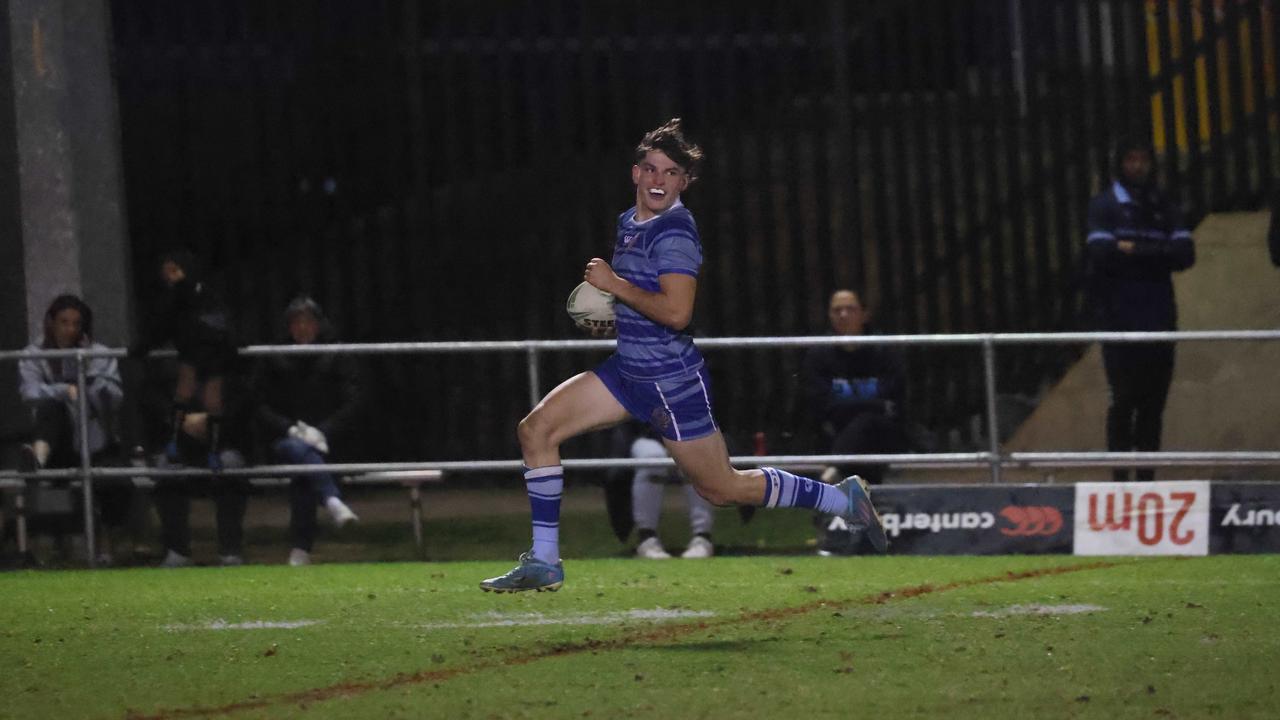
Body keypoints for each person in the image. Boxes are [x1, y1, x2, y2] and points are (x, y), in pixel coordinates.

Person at [480, 118, 886, 593]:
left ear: (684, 182)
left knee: (722, 489)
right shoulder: (628, 223)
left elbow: (676, 313)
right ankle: (545, 562)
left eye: (671, 172)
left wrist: (614, 287)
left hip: (671, 384)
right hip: (628, 373)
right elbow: (643, 300)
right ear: (635, 173)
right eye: (651, 169)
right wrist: (613, 311)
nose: (658, 179)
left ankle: (842, 499)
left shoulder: (675, 233)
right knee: (536, 430)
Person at [1085, 137, 1195, 482]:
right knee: (1123, 401)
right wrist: (1157, 251)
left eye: (1143, 160)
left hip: (1160, 317)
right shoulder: (1104, 205)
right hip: (1118, 317)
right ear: (1120, 163)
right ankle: (1120, 483)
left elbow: (1185, 254)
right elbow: (1101, 253)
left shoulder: (1163, 204)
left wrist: (1134, 249)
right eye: (1130, 159)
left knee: (1152, 404)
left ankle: (1146, 481)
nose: (1137, 167)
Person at [17, 295, 131, 560]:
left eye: (76, 324)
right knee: (50, 408)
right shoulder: (34, 354)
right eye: (63, 322)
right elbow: (30, 392)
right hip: (57, 439)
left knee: (118, 482)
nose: (70, 329)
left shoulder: (98, 354)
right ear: (51, 323)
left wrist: (88, 372)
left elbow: (114, 398)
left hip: (94, 437)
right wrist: (63, 390)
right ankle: (37, 458)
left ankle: (111, 542)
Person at [251, 296, 360, 567]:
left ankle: (301, 549)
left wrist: (323, 431)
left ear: (319, 324)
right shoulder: (274, 357)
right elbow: (259, 404)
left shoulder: (335, 355)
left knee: (304, 471)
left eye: (308, 322)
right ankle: (332, 500)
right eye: (296, 323)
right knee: (299, 451)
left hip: (329, 442)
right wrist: (289, 428)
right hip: (283, 439)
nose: (302, 328)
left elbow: (353, 401)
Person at [129, 249, 238, 471]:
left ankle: (199, 447)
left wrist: (143, 346)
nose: (171, 276)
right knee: (194, 394)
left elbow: (164, 326)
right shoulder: (187, 296)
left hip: (204, 353)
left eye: (174, 270)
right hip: (201, 353)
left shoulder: (191, 295)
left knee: (203, 396)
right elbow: (162, 327)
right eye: (166, 272)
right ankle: (186, 445)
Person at [799, 289, 907, 486]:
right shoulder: (818, 354)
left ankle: (831, 473)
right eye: (837, 310)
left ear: (865, 314)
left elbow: (893, 402)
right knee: (861, 423)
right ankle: (836, 474)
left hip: (880, 435)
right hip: (836, 431)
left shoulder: (884, 350)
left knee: (868, 423)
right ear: (830, 316)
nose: (843, 315)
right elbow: (821, 404)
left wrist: (848, 405)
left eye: (850, 309)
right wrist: (871, 404)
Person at [152, 381, 250, 568]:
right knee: (165, 467)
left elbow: (236, 411)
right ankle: (177, 551)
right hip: (181, 446)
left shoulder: (229, 379)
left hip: (223, 443)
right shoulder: (169, 379)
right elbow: (162, 409)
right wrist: (182, 422)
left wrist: (208, 421)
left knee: (231, 464)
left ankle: (230, 551)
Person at [630, 424, 715, 559]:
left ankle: (703, 538)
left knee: (693, 458)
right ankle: (646, 539)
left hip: (694, 437)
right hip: (648, 437)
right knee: (653, 458)